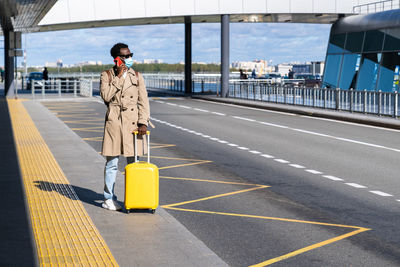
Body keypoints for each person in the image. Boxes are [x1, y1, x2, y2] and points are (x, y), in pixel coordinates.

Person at [100, 43, 150, 211]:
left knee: (134, 163)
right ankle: (108, 199)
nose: (129, 58)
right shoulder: (106, 75)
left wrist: (143, 122)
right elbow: (106, 97)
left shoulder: (137, 75)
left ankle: (135, 198)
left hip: (133, 123)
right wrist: (118, 78)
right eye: (126, 56)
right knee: (112, 163)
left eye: (130, 55)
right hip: (114, 122)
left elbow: (144, 101)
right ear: (117, 58)